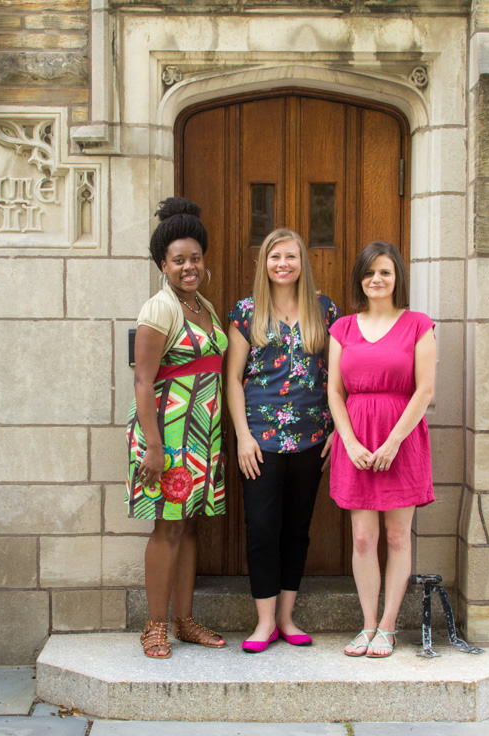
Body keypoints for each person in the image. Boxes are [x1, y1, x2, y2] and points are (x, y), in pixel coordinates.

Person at [225, 229, 339, 653]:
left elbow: (337, 377)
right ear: (265, 263)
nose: (283, 264)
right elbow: (233, 379)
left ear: (302, 263)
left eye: (291, 256)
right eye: (275, 256)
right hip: (260, 442)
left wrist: (335, 432)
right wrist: (241, 436)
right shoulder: (246, 312)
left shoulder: (324, 310)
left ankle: (287, 619)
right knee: (261, 530)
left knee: (297, 530)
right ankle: (264, 622)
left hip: (311, 439)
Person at [127, 197, 228, 659]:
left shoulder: (203, 306)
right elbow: (143, 380)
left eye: (195, 258)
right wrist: (153, 446)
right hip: (166, 436)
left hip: (201, 436)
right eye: (178, 260)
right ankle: (155, 627)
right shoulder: (159, 309)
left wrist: (216, 442)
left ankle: (185, 621)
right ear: (162, 265)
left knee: (188, 529)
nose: (189, 266)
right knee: (166, 529)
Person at [327, 241, 436, 659]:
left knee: (396, 535)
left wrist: (392, 442)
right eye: (370, 272)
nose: (377, 279)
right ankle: (367, 624)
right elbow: (334, 391)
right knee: (361, 537)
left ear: (397, 278)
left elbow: (425, 390)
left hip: (401, 441)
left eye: (385, 272)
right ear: (360, 278)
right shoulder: (344, 329)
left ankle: (389, 627)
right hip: (356, 439)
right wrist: (350, 441)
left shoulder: (418, 325)